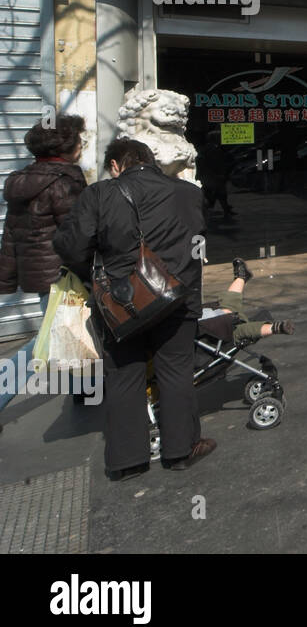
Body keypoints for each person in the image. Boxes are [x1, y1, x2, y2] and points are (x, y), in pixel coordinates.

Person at [54, 138, 214, 480]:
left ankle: (127, 462)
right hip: (176, 298)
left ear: (116, 165)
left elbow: (71, 247)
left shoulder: (99, 194)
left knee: (124, 376)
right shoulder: (187, 192)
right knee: (176, 373)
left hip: (123, 303)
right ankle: (181, 451)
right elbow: (197, 238)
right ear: (150, 161)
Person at [0, 116, 88, 417]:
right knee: (48, 340)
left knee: (73, 331)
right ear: (67, 148)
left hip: (38, 272)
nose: (82, 145)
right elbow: (76, 234)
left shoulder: (23, 180)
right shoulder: (65, 180)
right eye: (79, 140)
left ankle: (84, 390)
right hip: (63, 274)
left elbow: (11, 233)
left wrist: (9, 276)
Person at [197, 258, 294, 342]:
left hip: (207, 318)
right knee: (239, 329)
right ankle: (277, 327)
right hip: (213, 330)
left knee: (228, 305)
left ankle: (241, 277)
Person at [195, 131, 235, 218]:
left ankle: (225, 209)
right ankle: (210, 210)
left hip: (210, 175)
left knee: (217, 193)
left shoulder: (208, 148)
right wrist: (219, 174)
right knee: (215, 193)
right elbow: (214, 163)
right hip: (212, 175)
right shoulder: (212, 149)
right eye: (219, 137)